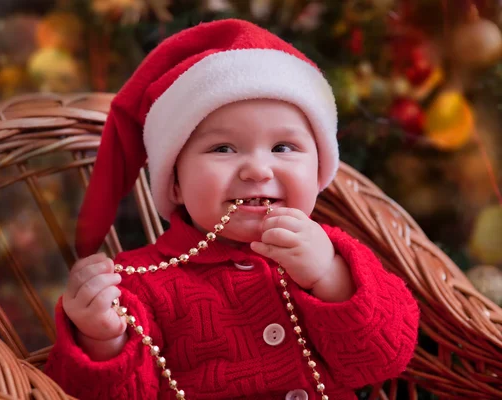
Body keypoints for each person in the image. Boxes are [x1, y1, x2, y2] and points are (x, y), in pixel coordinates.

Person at [44, 19, 420, 400]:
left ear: (319, 168)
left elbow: (385, 360)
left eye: (283, 147)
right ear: (174, 182)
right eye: (223, 148)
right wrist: (101, 337)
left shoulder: (337, 254)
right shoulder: (138, 284)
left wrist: (330, 277)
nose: (258, 169)